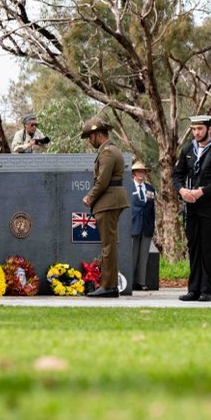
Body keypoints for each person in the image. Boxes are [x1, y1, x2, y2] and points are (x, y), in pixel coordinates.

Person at [173, 115, 211, 302]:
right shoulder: (188, 149)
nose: (196, 132)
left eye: (200, 129)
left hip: (210, 205)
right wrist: (181, 190)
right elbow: (177, 175)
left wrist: (202, 191)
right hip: (190, 206)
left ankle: (206, 290)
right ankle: (193, 289)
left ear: (209, 129)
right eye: (193, 129)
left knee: (207, 246)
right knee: (193, 246)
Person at [81, 116, 129, 298]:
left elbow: (102, 181)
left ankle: (108, 286)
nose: (90, 141)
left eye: (90, 137)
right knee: (108, 245)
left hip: (108, 202)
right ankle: (109, 285)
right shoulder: (108, 151)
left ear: (98, 135)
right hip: (110, 201)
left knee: (108, 246)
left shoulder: (108, 153)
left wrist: (90, 197)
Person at [130, 161, 156, 291]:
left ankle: (141, 282)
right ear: (133, 173)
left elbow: (152, 210)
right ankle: (129, 281)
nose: (141, 173)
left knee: (144, 256)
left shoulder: (150, 189)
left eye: (143, 171)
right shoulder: (128, 188)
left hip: (147, 226)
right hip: (133, 225)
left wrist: (153, 225)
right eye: (138, 171)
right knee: (132, 255)